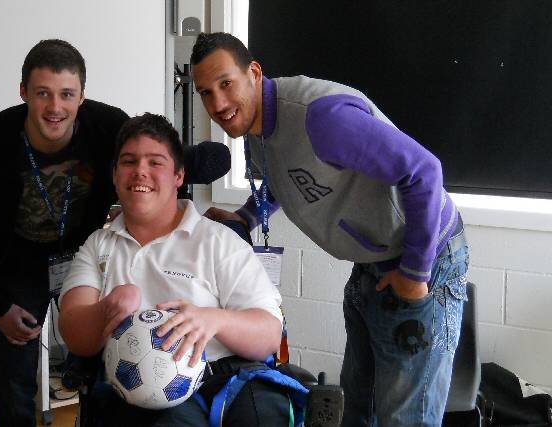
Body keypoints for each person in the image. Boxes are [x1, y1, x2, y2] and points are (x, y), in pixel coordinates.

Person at [190, 32, 470, 427]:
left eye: (225, 84)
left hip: (425, 260)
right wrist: (247, 217)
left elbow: (424, 171)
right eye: (205, 92)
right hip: (372, 265)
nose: (217, 104)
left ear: (253, 72)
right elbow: (283, 180)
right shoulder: (257, 125)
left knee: (406, 418)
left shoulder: (320, 118)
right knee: (357, 406)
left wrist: (415, 274)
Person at [0, 39, 129, 426]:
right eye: (42, 93)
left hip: (87, 259)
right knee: (13, 388)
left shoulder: (111, 128)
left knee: (108, 370)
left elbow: (154, 171)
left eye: (67, 94)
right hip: (15, 267)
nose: (55, 108)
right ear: (23, 91)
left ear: (82, 97)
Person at [58, 113, 293, 426]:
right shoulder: (98, 245)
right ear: (115, 174)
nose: (140, 171)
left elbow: (268, 335)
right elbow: (75, 334)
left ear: (178, 175)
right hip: (142, 390)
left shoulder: (218, 240)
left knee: (265, 413)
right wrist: (107, 310)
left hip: (225, 379)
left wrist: (213, 319)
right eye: (128, 161)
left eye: (155, 162)